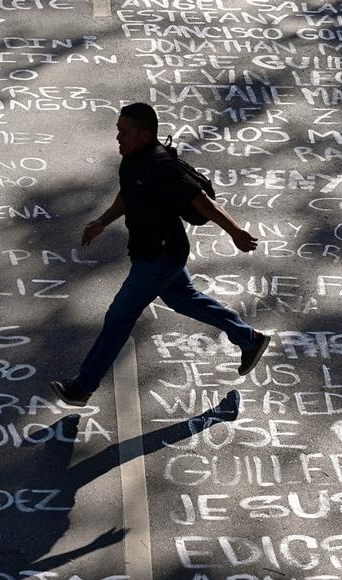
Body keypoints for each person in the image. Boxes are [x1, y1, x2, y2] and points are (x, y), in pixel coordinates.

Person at [50, 102, 270, 407]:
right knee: (184, 299)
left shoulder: (160, 165)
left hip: (160, 257)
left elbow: (202, 201)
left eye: (124, 132)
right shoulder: (132, 159)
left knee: (119, 317)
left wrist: (235, 231)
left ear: (145, 135)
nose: (118, 137)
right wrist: (102, 221)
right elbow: (127, 193)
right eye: (118, 130)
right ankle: (249, 338)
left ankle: (82, 387)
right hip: (153, 252)